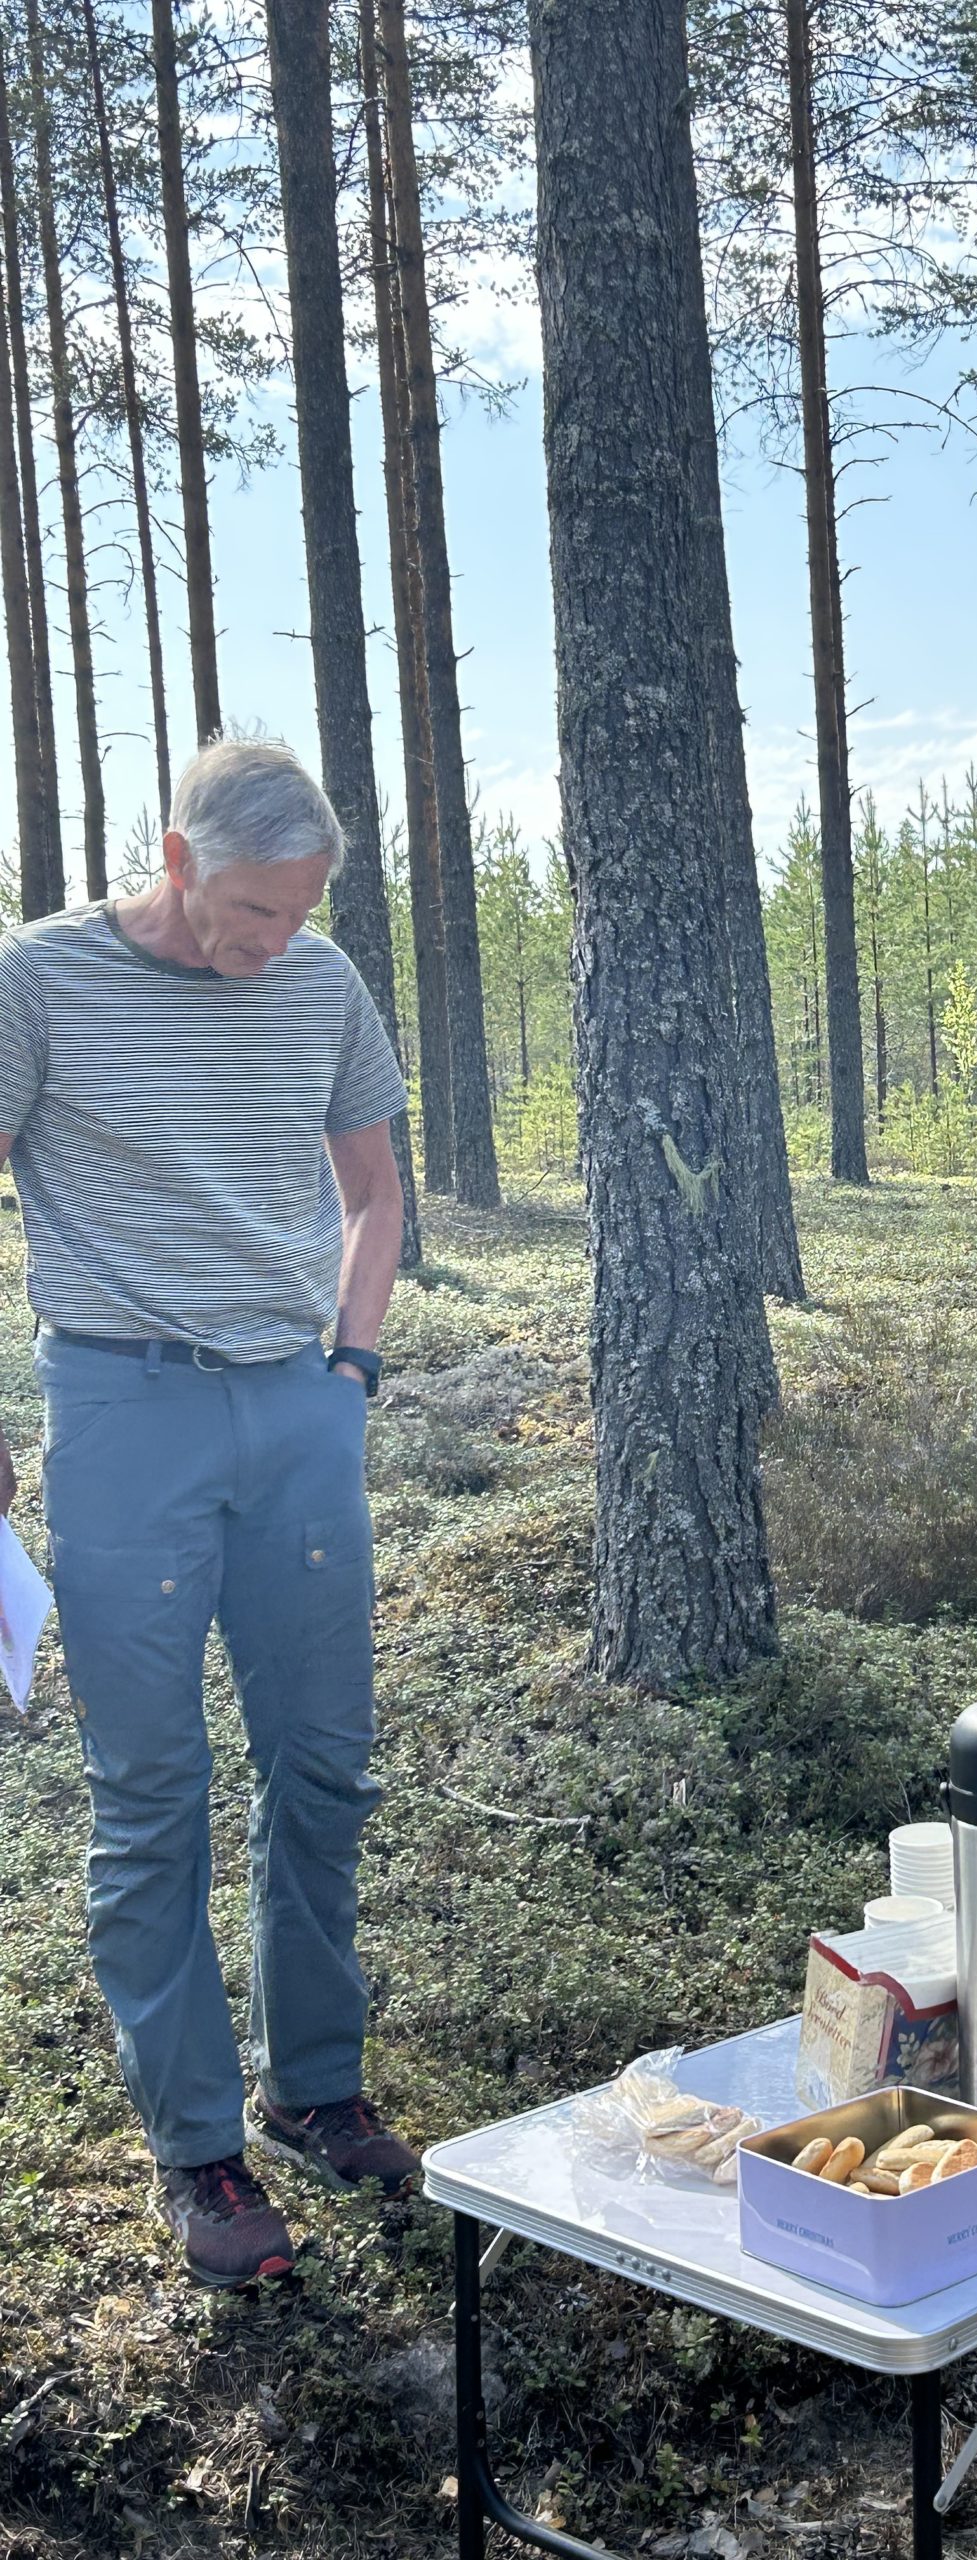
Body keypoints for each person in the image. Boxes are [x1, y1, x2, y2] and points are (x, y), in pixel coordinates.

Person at [0, 734, 420, 2286]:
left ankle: (315, 2085)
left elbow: (373, 1189)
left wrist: (353, 1366)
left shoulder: (319, 983)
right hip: (121, 1410)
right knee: (152, 1784)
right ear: (173, 862)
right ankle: (200, 2151)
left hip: (295, 1411)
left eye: (299, 913)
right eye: (250, 912)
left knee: (323, 1765)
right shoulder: (37, 981)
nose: (274, 946)